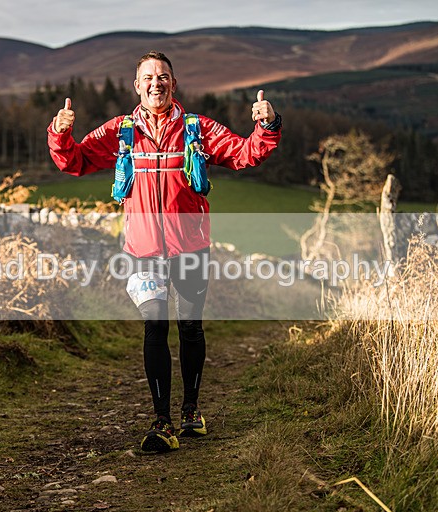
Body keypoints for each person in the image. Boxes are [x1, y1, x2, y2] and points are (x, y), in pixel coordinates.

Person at [47, 51, 281, 453]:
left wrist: (267, 124)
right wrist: (59, 132)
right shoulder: (120, 132)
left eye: (164, 77)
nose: (156, 83)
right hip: (142, 251)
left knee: (190, 327)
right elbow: (75, 162)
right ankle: (162, 421)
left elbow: (245, 154)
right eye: (148, 77)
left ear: (174, 84)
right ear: (137, 86)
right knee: (155, 327)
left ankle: (190, 410)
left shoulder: (197, 128)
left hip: (191, 246)